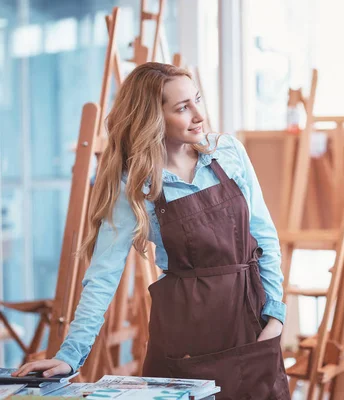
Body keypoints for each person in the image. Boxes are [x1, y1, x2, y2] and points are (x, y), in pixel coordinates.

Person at [13, 62, 290, 399]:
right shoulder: (134, 186)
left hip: (249, 321)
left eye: (197, 100)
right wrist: (70, 356)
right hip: (186, 337)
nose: (199, 115)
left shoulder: (228, 152)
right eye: (182, 108)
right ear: (153, 118)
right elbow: (103, 275)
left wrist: (274, 315)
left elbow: (265, 237)